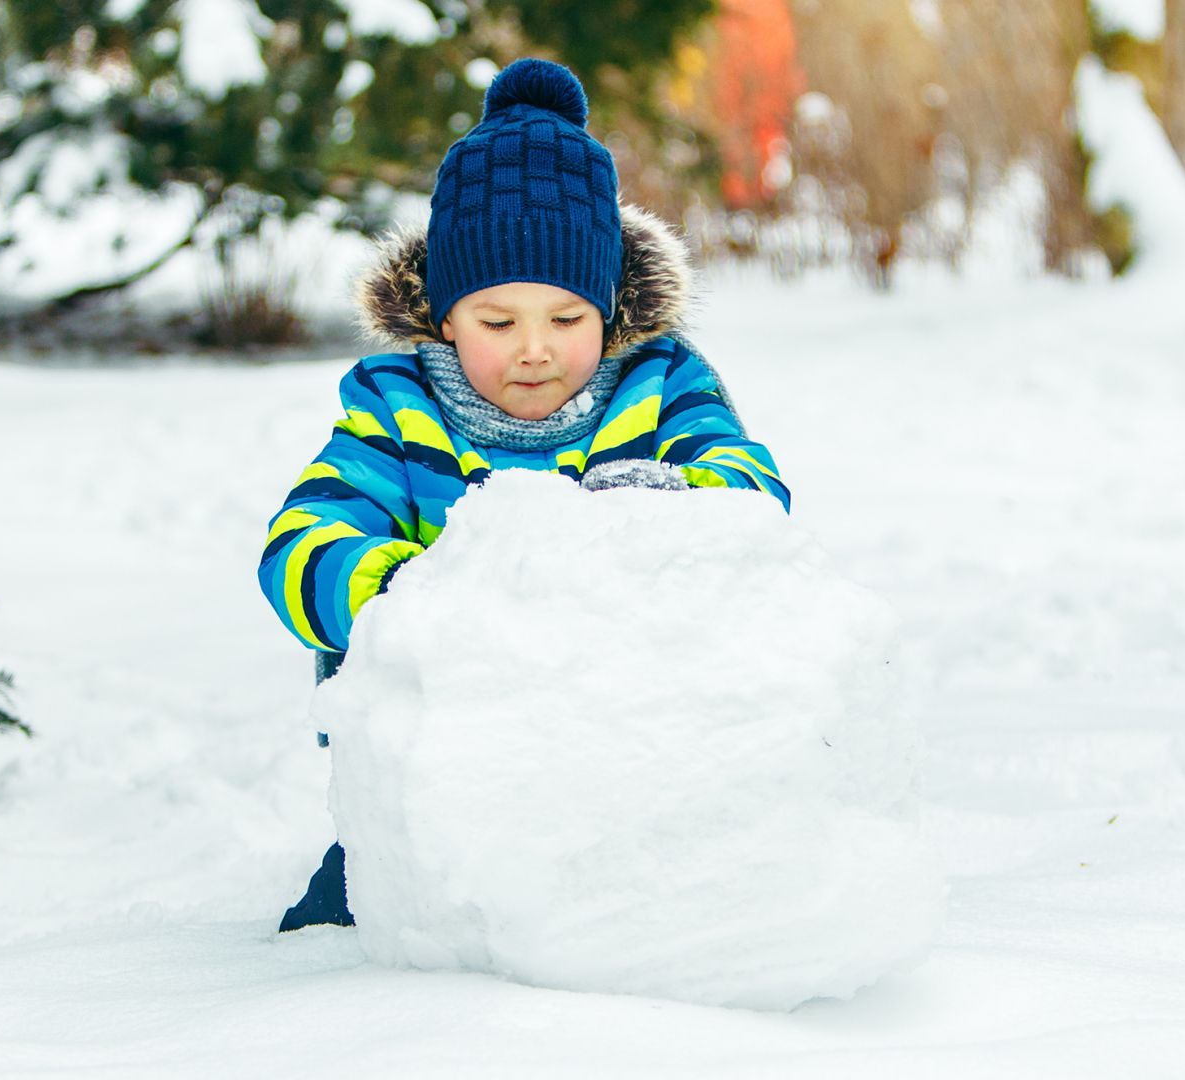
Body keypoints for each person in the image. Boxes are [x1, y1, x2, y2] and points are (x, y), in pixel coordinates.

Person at [259, 57, 791, 932]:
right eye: (498, 322)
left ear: (611, 308)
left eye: (568, 319)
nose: (534, 350)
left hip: (621, 744)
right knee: (346, 936)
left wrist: (648, 512)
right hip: (437, 759)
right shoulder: (396, 408)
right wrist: (417, 595)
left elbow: (751, 500)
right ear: (442, 316)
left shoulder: (658, 387)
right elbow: (301, 545)